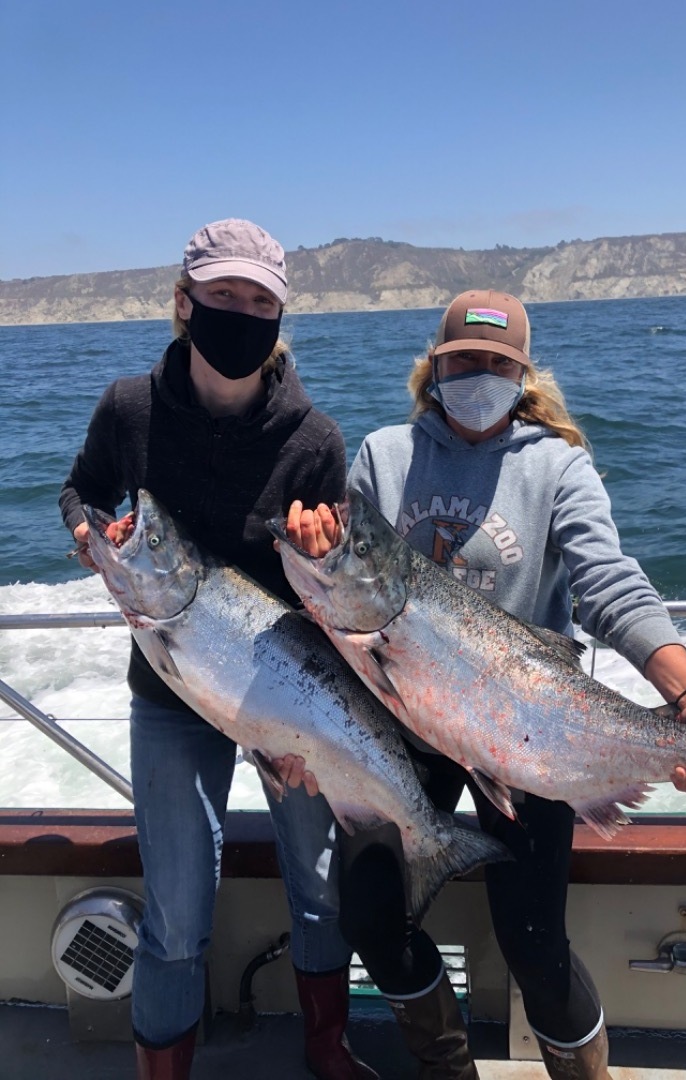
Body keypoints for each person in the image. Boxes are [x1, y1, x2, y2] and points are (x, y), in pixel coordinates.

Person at [285, 290, 686, 1079]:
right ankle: (449, 1068)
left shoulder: (558, 466)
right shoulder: (385, 457)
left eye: (498, 364)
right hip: (408, 727)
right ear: (436, 366)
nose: (479, 376)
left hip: (529, 725)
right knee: (371, 916)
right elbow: (347, 580)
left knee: (534, 947)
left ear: (522, 376)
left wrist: (684, 685)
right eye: (464, 361)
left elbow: (607, 585)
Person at [59, 219, 378, 1080]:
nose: (241, 314)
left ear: (280, 319)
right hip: (171, 686)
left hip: (293, 693)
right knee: (175, 906)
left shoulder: (315, 440)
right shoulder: (129, 409)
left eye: (259, 302)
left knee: (318, 885)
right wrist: (93, 535)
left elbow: (335, 597)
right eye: (224, 297)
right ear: (184, 302)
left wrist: (326, 556)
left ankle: (327, 1050)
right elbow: (81, 491)